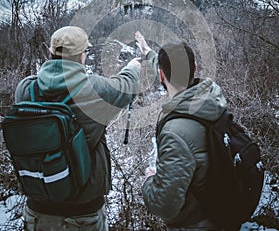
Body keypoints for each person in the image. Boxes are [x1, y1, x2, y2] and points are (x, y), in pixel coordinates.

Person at [16, 26, 141, 231]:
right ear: (82, 56)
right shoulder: (95, 89)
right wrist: (133, 67)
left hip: (38, 211)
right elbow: (126, 86)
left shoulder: (25, 89)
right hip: (82, 214)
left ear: (50, 52)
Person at [135, 31, 227, 231]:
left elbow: (165, 206)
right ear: (194, 68)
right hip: (220, 211)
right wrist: (146, 50)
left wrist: (149, 180)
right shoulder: (212, 99)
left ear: (161, 74)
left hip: (196, 224)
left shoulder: (174, 132)